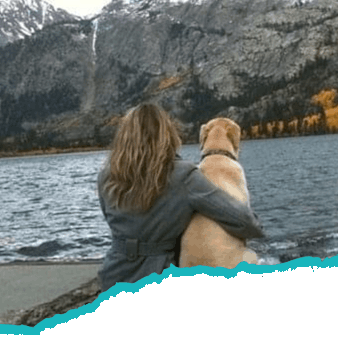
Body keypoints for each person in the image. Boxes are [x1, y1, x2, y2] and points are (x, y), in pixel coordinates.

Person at [97, 102, 263, 292]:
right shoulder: (183, 175)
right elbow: (238, 219)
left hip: (113, 276)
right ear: (167, 134)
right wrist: (257, 227)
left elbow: (109, 218)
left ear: (124, 136)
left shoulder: (106, 175)